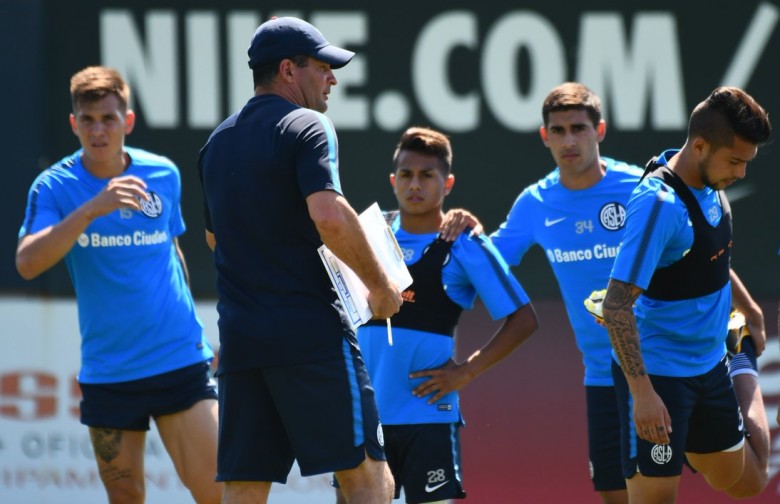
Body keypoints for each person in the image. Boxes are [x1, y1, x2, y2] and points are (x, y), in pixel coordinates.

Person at [197, 17, 403, 504]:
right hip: (311, 336)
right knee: (368, 476)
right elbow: (329, 215)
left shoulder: (216, 142)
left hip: (243, 342)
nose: (332, 78)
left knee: (244, 487)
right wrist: (380, 286)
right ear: (289, 70)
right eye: (323, 67)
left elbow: (213, 240)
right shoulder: (308, 123)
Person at [15, 66, 221, 504]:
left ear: (127, 121)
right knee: (126, 498)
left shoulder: (162, 173)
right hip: (110, 371)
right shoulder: (53, 187)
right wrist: (92, 209)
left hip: (178, 359)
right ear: (74, 124)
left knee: (219, 493)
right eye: (87, 120)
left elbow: (173, 249)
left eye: (108, 119)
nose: (98, 130)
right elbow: (28, 263)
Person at [333, 126, 538, 504]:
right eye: (407, 175)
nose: (415, 185)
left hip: (427, 418)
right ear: (393, 181)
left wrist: (467, 371)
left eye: (427, 175)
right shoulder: (370, 237)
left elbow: (524, 318)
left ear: (448, 183)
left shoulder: (464, 244)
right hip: (364, 418)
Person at [601, 86, 771, 503]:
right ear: (699, 146)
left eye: (746, 163)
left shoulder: (711, 178)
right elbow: (616, 305)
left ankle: (740, 360)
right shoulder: (659, 205)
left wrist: (748, 309)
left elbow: (708, 260)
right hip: (659, 379)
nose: (741, 174)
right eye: (735, 161)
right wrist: (642, 394)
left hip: (710, 366)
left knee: (750, 481)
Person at [482, 82, 643, 504]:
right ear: (545, 136)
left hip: (659, 367)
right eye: (558, 131)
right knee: (613, 493)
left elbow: (692, 251)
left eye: (579, 128)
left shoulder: (639, 188)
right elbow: (487, 262)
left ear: (600, 130)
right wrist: (461, 230)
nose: (568, 141)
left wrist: (746, 309)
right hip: (601, 376)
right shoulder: (536, 202)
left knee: (699, 481)